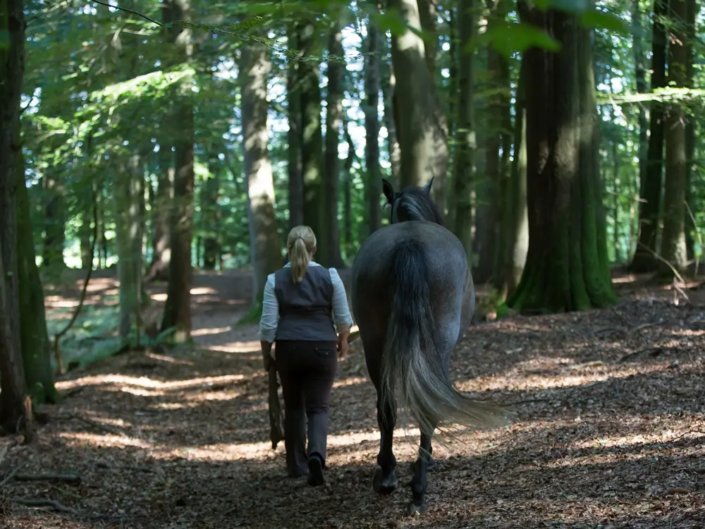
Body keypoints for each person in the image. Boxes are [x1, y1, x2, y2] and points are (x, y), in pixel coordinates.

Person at [258, 225, 354, 486]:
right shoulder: (331, 276)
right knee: (318, 408)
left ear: (288, 250)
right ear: (314, 249)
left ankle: (296, 465)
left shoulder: (274, 279)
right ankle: (316, 455)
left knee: (293, 408)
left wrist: (267, 356)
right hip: (322, 348)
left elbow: (268, 326)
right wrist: (342, 342)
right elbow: (344, 319)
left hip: (288, 349)